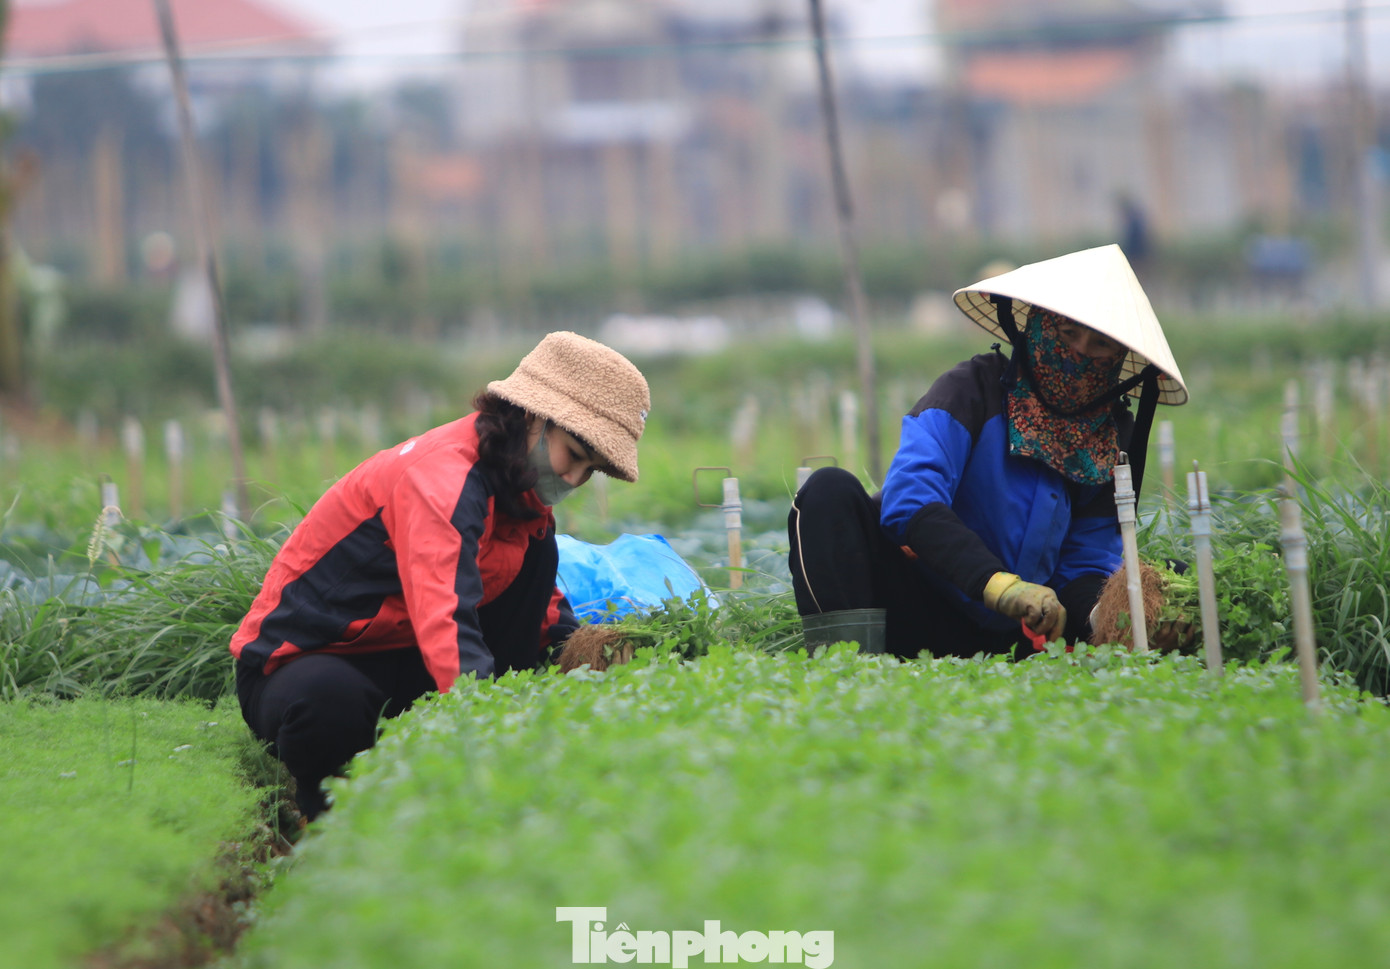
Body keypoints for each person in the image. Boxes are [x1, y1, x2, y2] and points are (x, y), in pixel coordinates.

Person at [231, 331, 651, 820]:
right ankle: (323, 820)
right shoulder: (442, 478)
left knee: (540, 558)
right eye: (574, 455)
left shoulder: (523, 500)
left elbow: (539, 610)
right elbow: (445, 614)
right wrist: (493, 732)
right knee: (332, 706)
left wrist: (585, 658)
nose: (575, 480)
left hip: (402, 656)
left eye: (592, 470)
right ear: (533, 417)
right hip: (308, 661)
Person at [788, 244, 1188, 659]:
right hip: (917, 603)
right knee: (826, 491)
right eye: (1067, 334)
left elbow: (1087, 562)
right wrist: (1000, 586)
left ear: (1119, 359)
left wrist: (1102, 615)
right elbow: (910, 499)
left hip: (1020, 638)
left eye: (1100, 344)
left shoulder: (1109, 440)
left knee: (1165, 581)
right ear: (1036, 328)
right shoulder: (970, 390)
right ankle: (846, 668)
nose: (1081, 352)